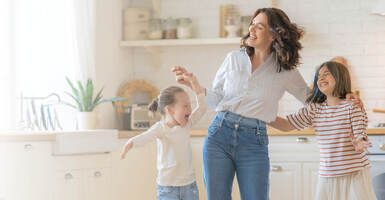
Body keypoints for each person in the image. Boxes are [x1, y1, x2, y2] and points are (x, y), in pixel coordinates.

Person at [173, 7, 307, 200]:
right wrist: (195, 86)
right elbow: (217, 99)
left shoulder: (285, 71)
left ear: (274, 35)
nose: (251, 29)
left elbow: (311, 100)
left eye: (259, 26)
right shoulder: (233, 58)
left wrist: (343, 96)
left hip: (254, 141)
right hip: (219, 133)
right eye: (252, 24)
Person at [269, 61, 377, 200]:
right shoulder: (314, 109)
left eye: (326, 74)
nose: (321, 78)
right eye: (319, 76)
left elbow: (359, 128)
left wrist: (360, 141)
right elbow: (288, 125)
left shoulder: (351, 106)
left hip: (355, 172)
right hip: (328, 172)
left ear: (340, 78)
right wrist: (264, 116)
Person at [120, 73, 206, 200]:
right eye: (185, 106)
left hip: (189, 186)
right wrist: (130, 143)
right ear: (170, 110)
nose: (190, 109)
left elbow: (202, 108)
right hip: (167, 188)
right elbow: (145, 137)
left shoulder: (187, 124)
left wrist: (196, 86)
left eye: (190, 104)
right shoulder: (160, 128)